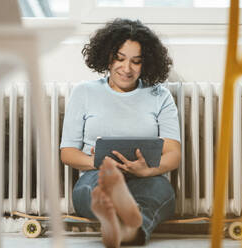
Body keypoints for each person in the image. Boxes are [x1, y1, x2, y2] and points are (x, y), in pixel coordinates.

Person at [60, 18, 181, 247]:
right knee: (89, 188)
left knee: (163, 191)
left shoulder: (160, 96)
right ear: (107, 56)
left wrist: (148, 170)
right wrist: (95, 162)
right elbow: (67, 152)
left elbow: (174, 153)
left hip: (146, 178)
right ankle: (128, 224)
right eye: (120, 58)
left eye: (136, 62)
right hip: (99, 174)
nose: (127, 69)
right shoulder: (84, 93)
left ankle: (126, 225)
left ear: (146, 63)